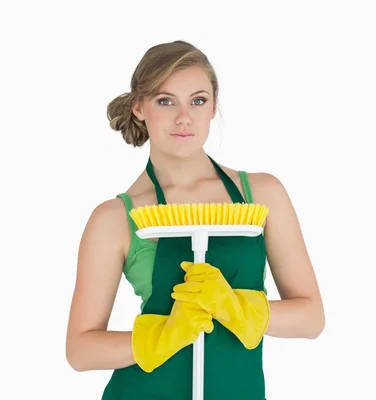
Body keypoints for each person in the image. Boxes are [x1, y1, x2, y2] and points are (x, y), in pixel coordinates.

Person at [65, 40, 325, 400]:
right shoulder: (115, 219)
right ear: (139, 107)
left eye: (198, 101)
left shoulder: (261, 195)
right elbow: (80, 351)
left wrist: (237, 307)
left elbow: (312, 319)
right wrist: (161, 335)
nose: (184, 117)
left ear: (214, 106)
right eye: (165, 101)